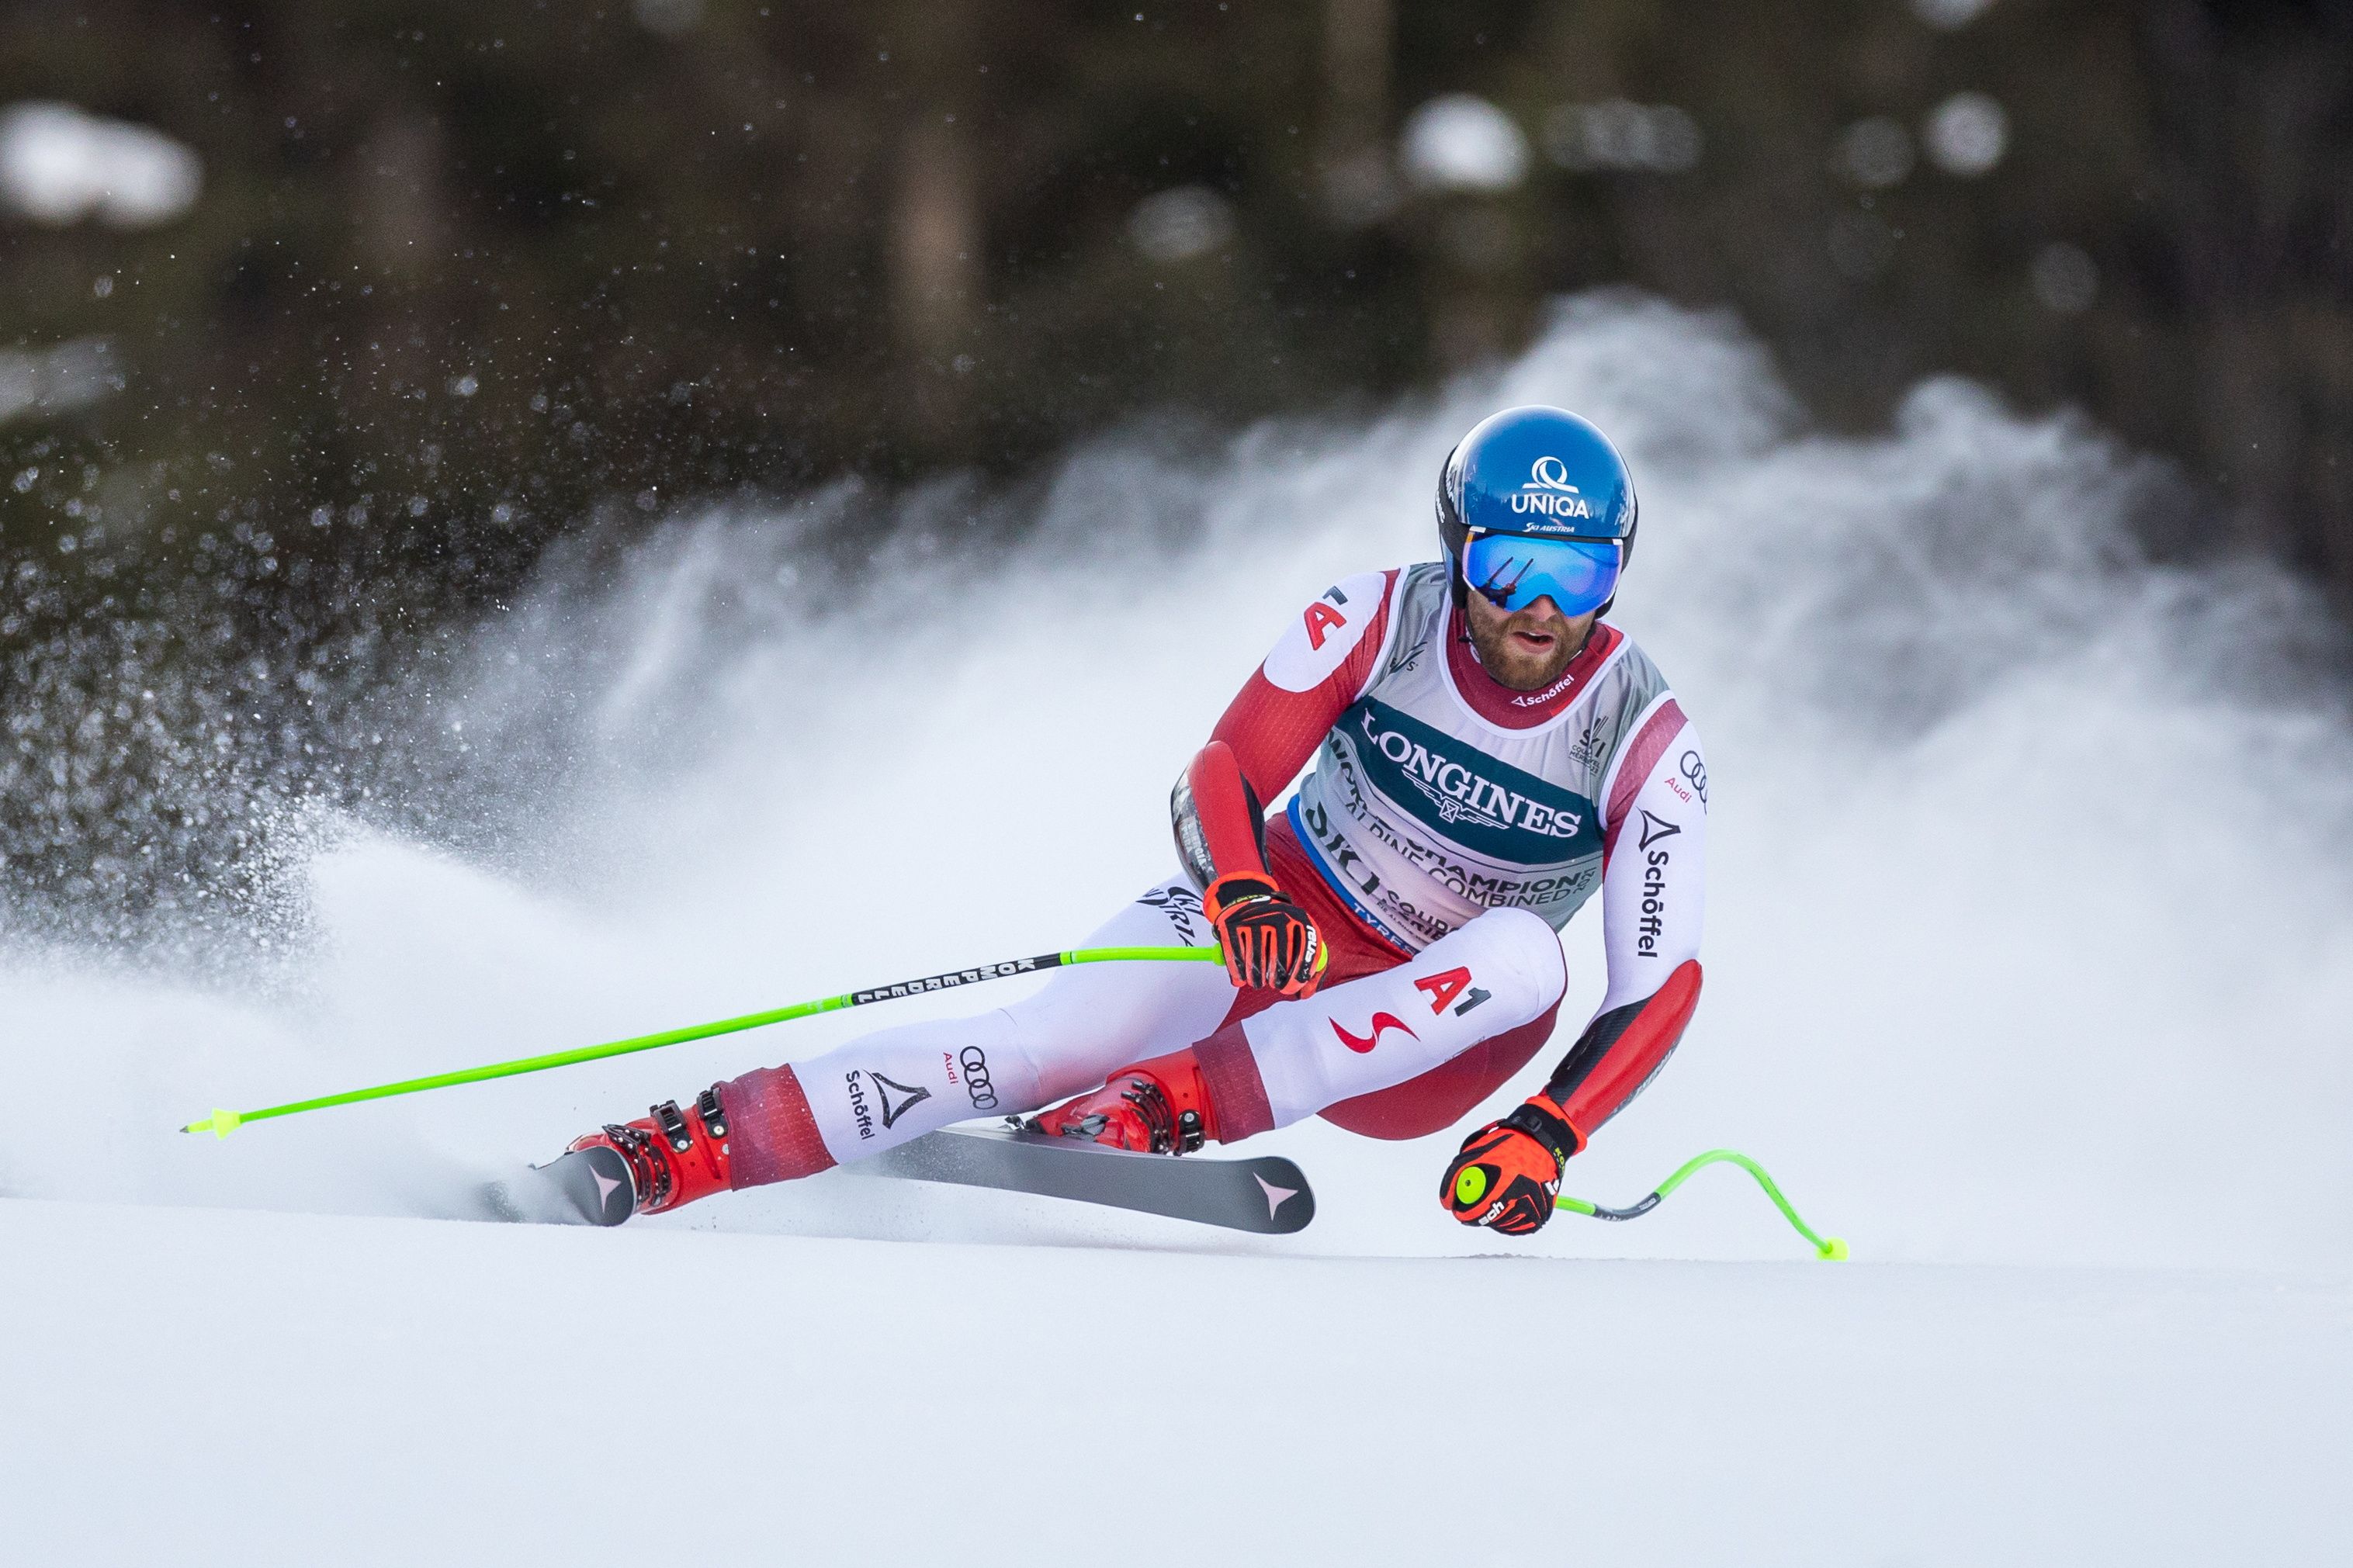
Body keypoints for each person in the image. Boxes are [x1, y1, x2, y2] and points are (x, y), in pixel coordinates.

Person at [561, 405, 1707, 1236]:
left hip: (1428, 1040)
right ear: (1461, 553)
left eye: (1580, 572)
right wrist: (1241, 888)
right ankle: (680, 1147)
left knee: (1522, 952)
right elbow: (1223, 770)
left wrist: (1551, 1131)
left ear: (1618, 574)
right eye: (1510, 566)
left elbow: (1660, 985)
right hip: (1283, 934)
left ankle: (1169, 1101)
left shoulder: (1646, 736)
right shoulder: (1374, 614)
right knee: (1043, 1041)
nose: (1541, 608)